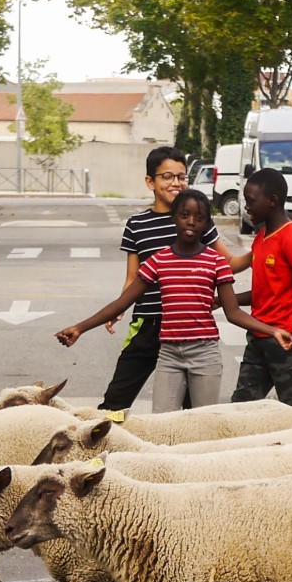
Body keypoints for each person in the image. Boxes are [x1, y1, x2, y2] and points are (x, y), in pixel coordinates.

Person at [58, 189, 292, 411]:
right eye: (184, 215)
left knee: (202, 425)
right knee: (163, 425)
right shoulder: (158, 261)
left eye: (199, 217)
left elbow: (233, 313)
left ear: (207, 224)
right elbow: (122, 303)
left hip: (204, 354)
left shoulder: (216, 262)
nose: (191, 221)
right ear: (174, 218)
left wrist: (273, 331)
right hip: (168, 354)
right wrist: (80, 328)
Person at [96, 147, 246, 413]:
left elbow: (229, 264)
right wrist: (119, 309)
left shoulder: (197, 220)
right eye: (167, 176)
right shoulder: (137, 224)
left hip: (188, 328)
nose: (176, 183)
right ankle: (103, 445)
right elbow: (132, 277)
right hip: (147, 324)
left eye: (181, 176)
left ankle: (185, 453)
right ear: (150, 182)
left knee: (193, 414)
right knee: (115, 401)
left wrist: (264, 249)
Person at [232, 168, 292, 404]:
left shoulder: (291, 236)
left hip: (286, 341)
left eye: (251, 201)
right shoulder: (261, 238)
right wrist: (224, 301)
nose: (247, 207)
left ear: (272, 201)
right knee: (242, 408)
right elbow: (263, 293)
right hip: (258, 337)